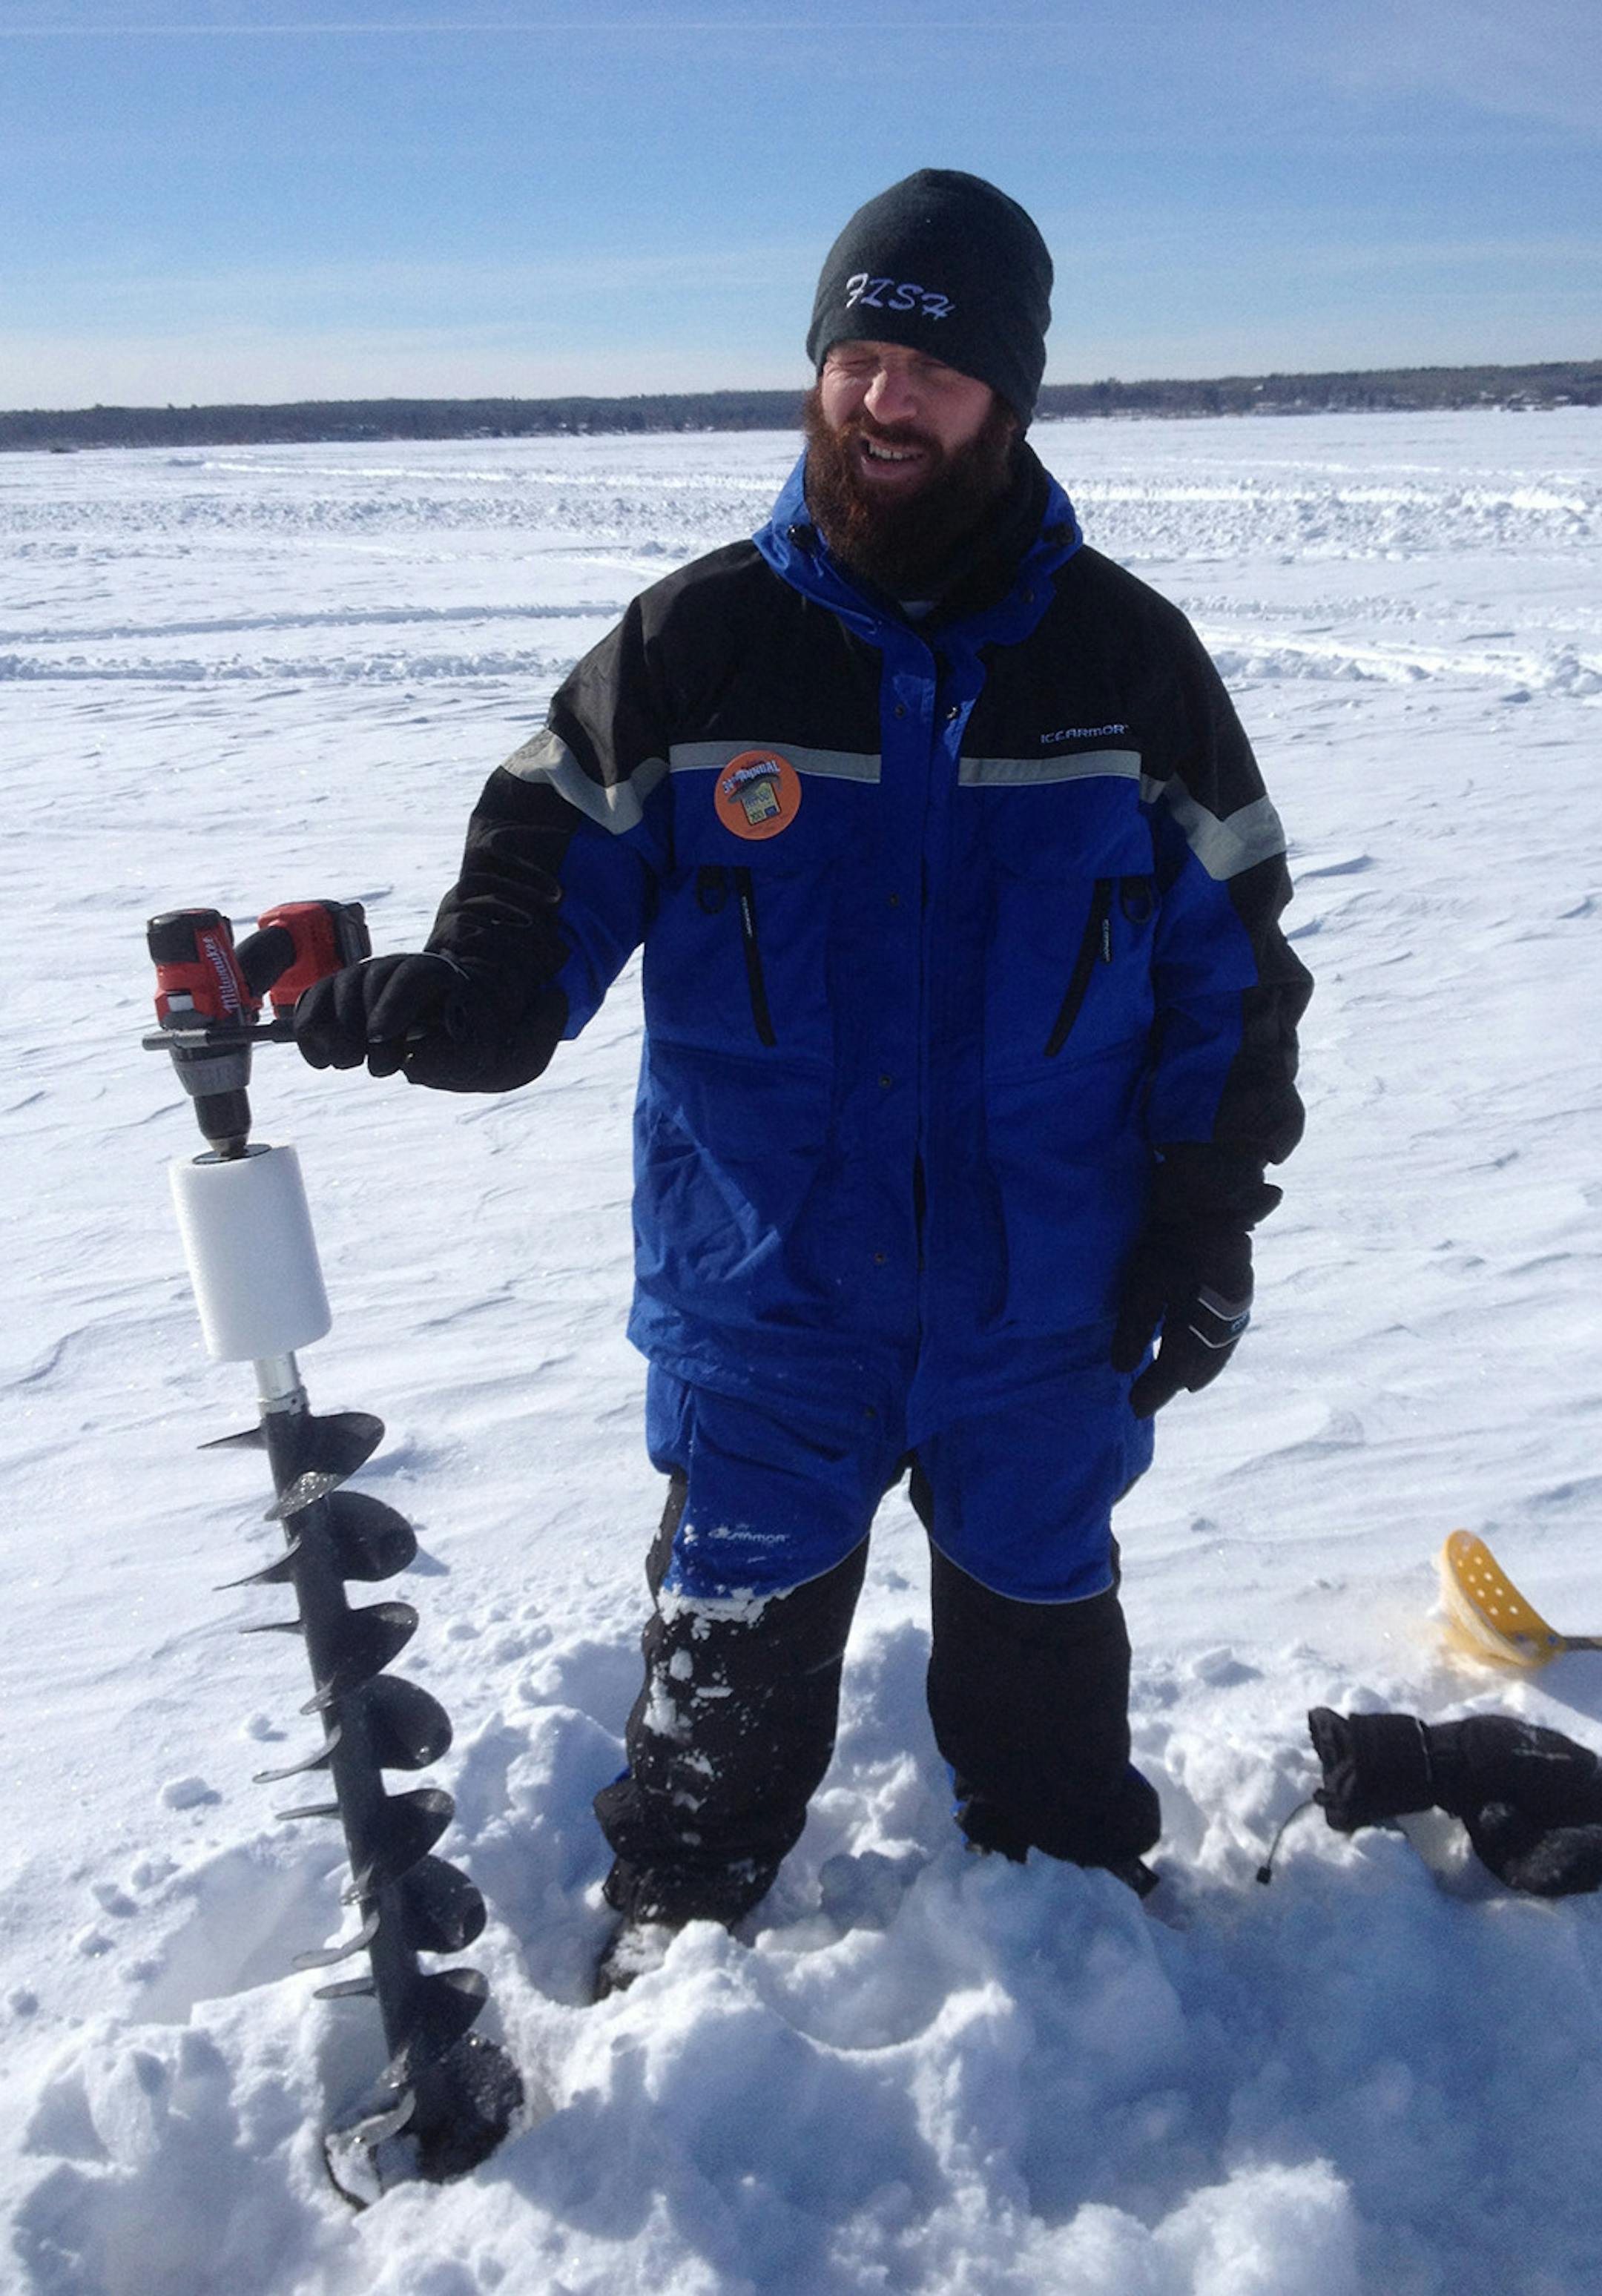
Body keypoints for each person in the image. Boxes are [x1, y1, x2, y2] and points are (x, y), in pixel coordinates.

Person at [295, 170, 1311, 1993]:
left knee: (1052, 1735)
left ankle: (1075, 1970)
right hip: (769, 1308)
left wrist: (1204, 1218)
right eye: (857, 353)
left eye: (931, 371)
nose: (882, 400)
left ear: (1008, 399)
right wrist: (447, 1001)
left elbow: (1230, 977)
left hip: (1044, 1312)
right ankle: (676, 1974)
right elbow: (537, 898)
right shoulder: (694, 651)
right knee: (716, 1738)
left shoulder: (1128, 665)